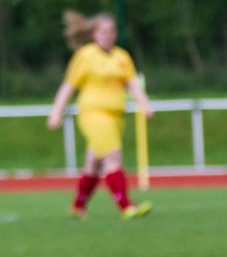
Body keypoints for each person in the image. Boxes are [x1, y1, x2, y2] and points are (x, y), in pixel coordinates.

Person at [46, 11, 154, 219]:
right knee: (113, 156)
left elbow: (132, 83)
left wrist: (145, 104)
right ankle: (126, 206)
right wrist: (56, 111)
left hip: (116, 117)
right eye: (104, 31)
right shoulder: (86, 56)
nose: (108, 34)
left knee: (93, 164)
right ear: (94, 33)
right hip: (93, 114)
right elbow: (69, 85)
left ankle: (78, 206)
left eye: (112, 30)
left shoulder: (122, 56)